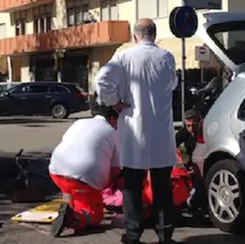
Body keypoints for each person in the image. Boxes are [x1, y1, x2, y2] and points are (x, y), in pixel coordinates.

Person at [95, 18, 178, 244]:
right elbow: (173, 84)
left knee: (132, 186)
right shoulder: (167, 57)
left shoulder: (124, 57)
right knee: (162, 186)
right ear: (154, 34)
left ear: (135, 36)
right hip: (161, 131)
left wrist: (113, 102)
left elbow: (101, 80)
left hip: (135, 130)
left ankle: (133, 234)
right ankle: (165, 234)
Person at [48, 102, 121, 237]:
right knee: (95, 216)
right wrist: (107, 186)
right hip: (83, 181)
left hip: (56, 171)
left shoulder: (79, 122)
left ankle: (69, 205)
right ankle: (75, 218)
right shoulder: (113, 132)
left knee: (75, 191)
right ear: (112, 119)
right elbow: (116, 170)